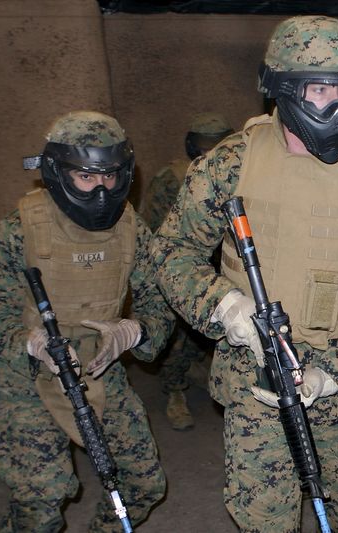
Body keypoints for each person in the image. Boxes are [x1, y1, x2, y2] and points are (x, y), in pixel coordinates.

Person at [150, 15, 338, 531]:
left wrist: (335, 375)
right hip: (257, 379)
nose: (336, 106)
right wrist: (223, 306)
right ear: (280, 88)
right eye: (319, 90)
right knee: (265, 521)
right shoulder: (228, 165)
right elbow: (172, 250)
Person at [0, 111, 174, 531]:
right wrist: (31, 342)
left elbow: (159, 301)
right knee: (44, 496)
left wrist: (135, 331)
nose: (102, 189)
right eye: (86, 177)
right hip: (29, 376)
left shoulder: (130, 227)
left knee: (143, 483)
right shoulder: (22, 228)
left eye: (110, 176)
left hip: (98, 368)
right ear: (57, 172)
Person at [140, 112, 233, 430]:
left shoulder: (236, 173)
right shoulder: (170, 177)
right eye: (204, 144)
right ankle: (174, 390)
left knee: (207, 332)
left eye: (217, 143)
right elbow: (154, 228)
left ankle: (192, 369)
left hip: (221, 269)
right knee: (177, 336)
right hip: (182, 269)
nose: (210, 150)